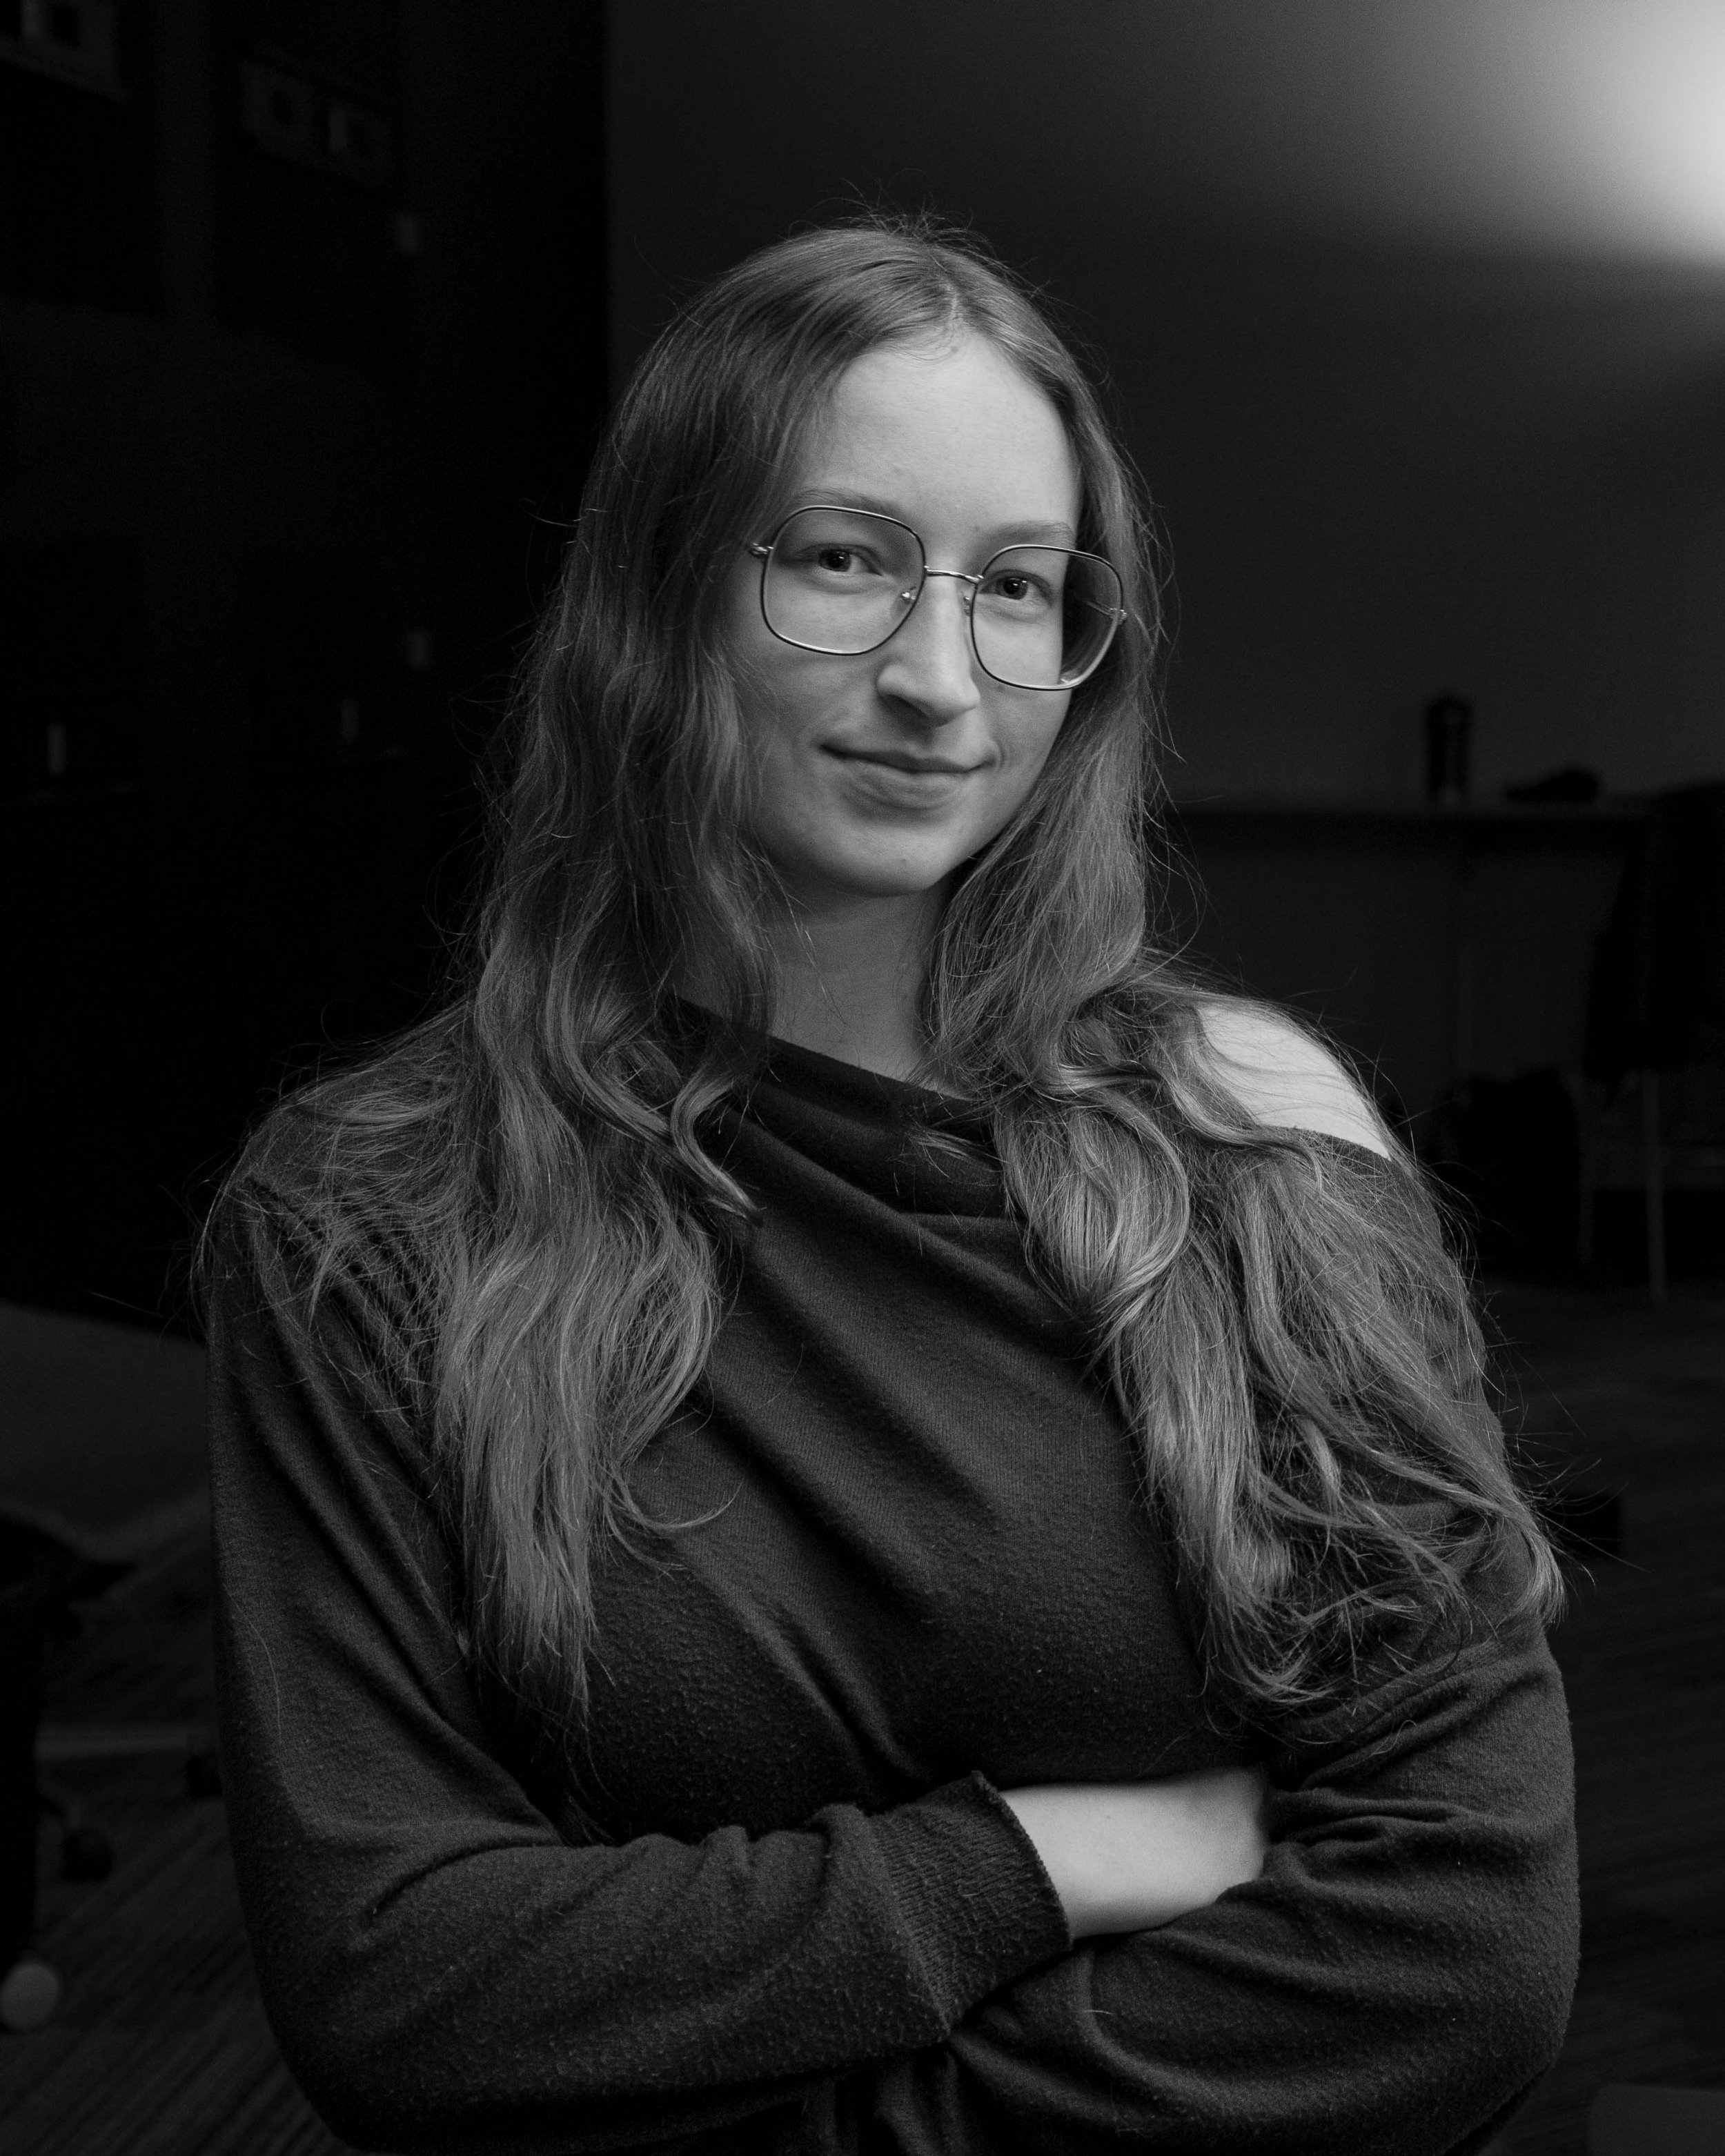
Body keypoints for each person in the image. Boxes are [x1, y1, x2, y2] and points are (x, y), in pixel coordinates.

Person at [201, 219, 1578, 2156]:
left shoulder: (1255, 1143)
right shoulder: (372, 1217)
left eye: (1018, 587)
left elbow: (1459, 1957)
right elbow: (398, 1978)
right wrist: (1031, 1861)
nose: (942, 678)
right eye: (843, 559)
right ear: (659, 593)